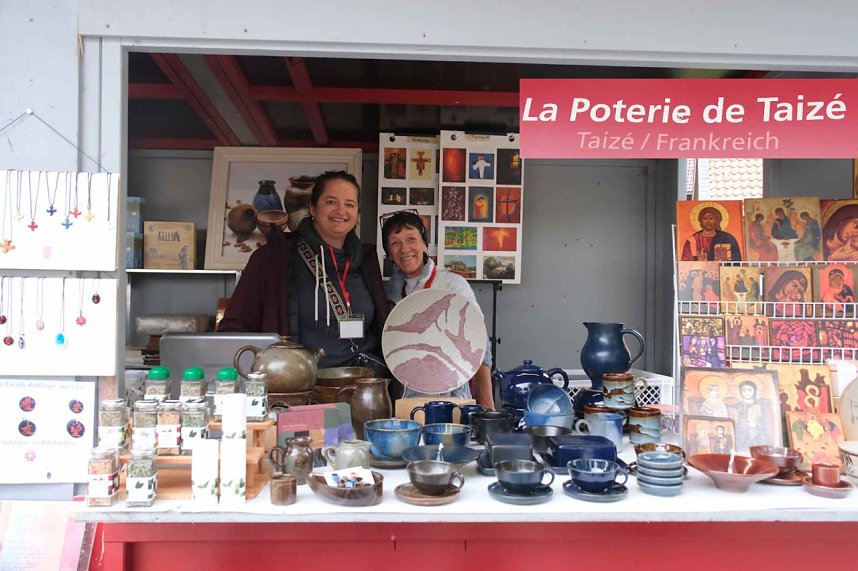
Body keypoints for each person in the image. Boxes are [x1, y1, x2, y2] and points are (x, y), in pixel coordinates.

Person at [219, 171, 390, 373]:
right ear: (312, 208)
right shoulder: (273, 258)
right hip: (299, 385)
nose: (341, 211)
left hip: (363, 383)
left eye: (350, 204)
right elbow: (235, 328)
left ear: (357, 213)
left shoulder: (366, 261)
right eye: (331, 202)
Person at [380, 210, 495, 409]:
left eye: (411, 239)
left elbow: (479, 342)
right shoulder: (388, 295)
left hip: (452, 395)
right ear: (389, 253)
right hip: (403, 397)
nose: (404, 249)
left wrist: (487, 403)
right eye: (395, 243)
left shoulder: (452, 285)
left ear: (424, 244)